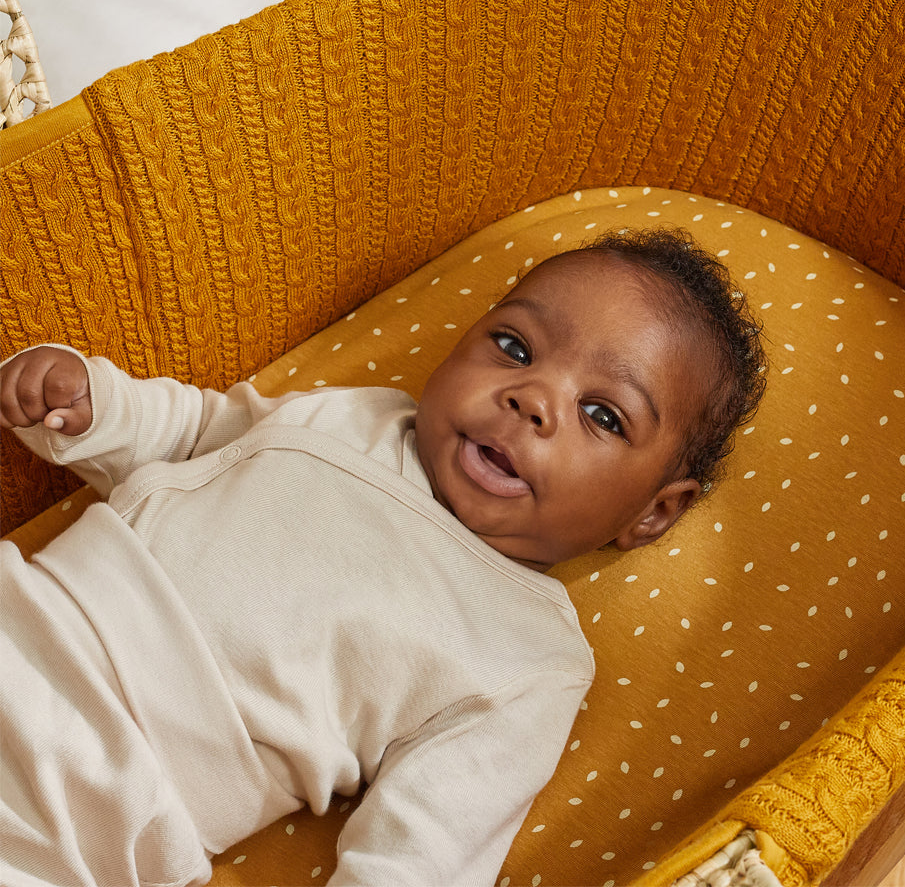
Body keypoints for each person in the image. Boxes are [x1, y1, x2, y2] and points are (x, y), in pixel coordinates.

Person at [0, 228, 765, 887]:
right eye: (513, 347)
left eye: (602, 415)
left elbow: (424, 850)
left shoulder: (527, 655)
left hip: (95, 793)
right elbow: (198, 429)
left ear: (654, 512)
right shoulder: (357, 416)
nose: (533, 397)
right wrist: (90, 403)